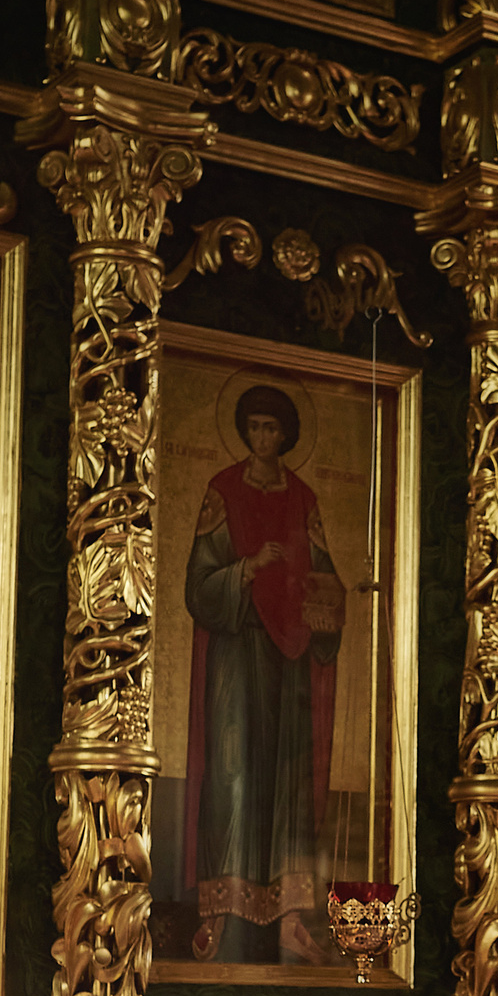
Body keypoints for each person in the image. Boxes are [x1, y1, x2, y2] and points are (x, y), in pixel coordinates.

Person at [183, 383, 344, 964]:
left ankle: (290, 920)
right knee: (231, 774)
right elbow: (198, 585)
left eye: (271, 428)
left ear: (286, 435)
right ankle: (220, 914)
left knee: (287, 781)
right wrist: (248, 568)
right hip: (236, 651)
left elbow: (326, 580)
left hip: (288, 662)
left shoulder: (303, 500)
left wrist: (325, 603)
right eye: (253, 427)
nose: (261, 437)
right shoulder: (222, 491)